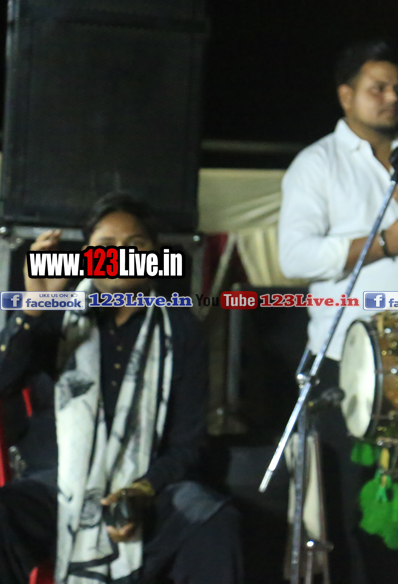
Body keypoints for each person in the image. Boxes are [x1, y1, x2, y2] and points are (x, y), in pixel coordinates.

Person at [277, 40, 398, 583]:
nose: (392, 98)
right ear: (346, 96)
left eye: (397, 89)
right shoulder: (316, 163)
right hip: (348, 363)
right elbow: (294, 257)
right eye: (377, 88)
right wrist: (386, 241)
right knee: (351, 515)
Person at [0, 192, 242, 584]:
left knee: (214, 520)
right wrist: (34, 306)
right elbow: (4, 380)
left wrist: (141, 491)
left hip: (147, 486)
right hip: (57, 485)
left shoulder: (180, 329)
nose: (121, 255)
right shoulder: (54, 317)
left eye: (136, 244)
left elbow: (188, 445)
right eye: (106, 245)